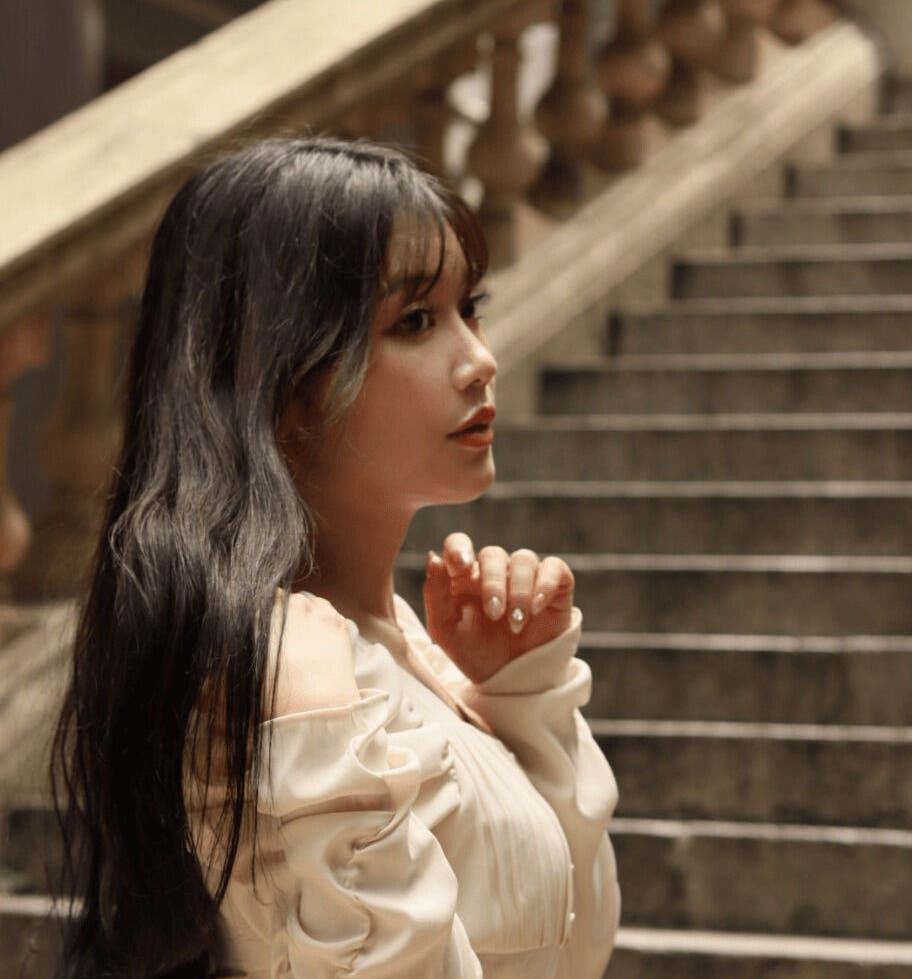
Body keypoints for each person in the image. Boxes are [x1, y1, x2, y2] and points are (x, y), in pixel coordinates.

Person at [45, 136, 620, 978]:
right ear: (275, 377)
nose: (480, 360)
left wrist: (519, 699)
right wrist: (318, 737)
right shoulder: (278, 673)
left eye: (470, 308)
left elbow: (573, 945)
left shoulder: (401, 646)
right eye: (415, 321)